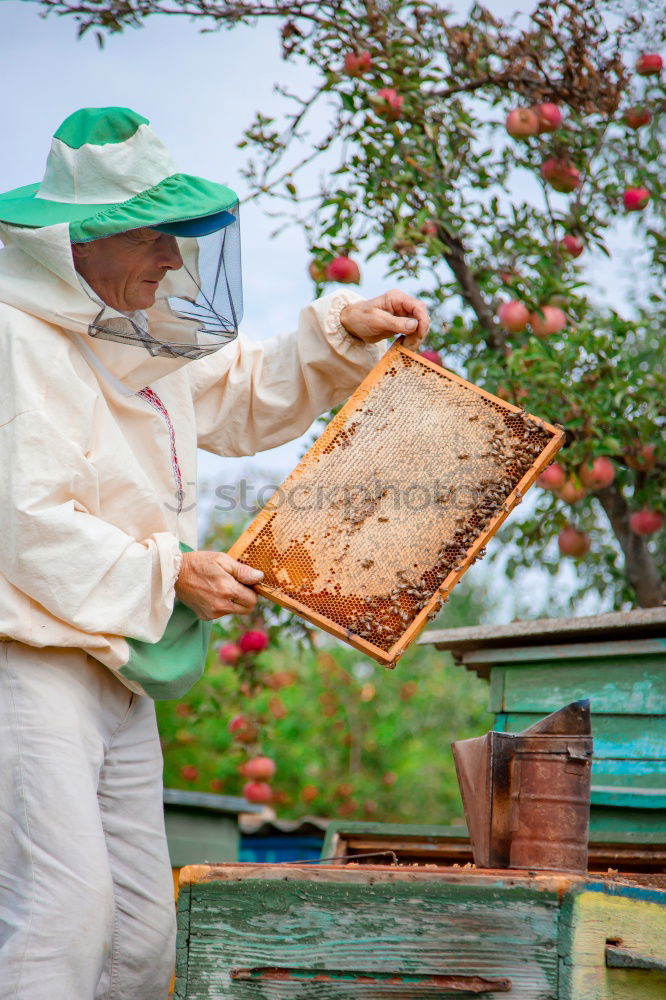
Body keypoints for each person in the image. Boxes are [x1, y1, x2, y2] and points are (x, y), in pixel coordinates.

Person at [0, 106, 429, 999]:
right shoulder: (13, 338)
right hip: (29, 663)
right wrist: (174, 572)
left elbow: (238, 396)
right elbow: (26, 522)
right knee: (63, 919)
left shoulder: (133, 327)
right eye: (157, 236)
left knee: (144, 941)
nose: (172, 258)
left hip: (121, 657)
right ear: (83, 241)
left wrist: (342, 326)